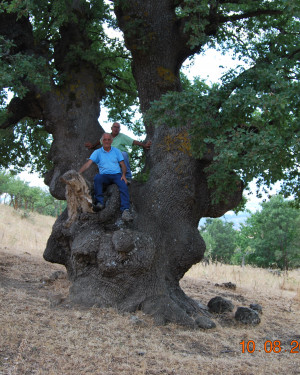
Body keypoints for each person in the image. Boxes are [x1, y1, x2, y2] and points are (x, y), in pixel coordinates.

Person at [79, 133, 132, 220]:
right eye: (105, 140)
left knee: (123, 185)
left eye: (108, 139)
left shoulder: (116, 151)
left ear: (111, 141)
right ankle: (100, 203)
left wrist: (124, 175)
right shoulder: (97, 152)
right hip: (104, 175)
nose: (107, 141)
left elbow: (123, 165)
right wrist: (79, 173)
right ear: (102, 141)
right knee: (97, 178)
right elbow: (88, 164)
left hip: (117, 175)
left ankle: (125, 210)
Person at [85, 122, 152, 181]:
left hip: (120, 156)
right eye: (115, 127)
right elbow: (100, 142)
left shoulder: (122, 136)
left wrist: (144, 145)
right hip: (110, 159)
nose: (116, 129)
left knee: (123, 154)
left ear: (119, 130)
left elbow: (133, 141)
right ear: (111, 128)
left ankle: (128, 176)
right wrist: (93, 146)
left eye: (118, 127)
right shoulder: (107, 137)